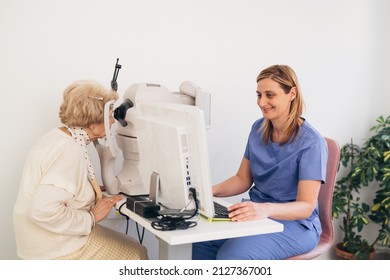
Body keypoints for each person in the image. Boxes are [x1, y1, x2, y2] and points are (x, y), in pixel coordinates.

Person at [192, 65, 328, 260]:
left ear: (292, 93)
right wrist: (207, 191)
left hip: (297, 224)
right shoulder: (258, 129)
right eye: (259, 95)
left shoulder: (312, 143)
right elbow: (242, 179)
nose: (262, 102)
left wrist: (265, 209)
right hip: (258, 214)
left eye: (269, 95)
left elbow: (305, 206)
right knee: (200, 242)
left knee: (232, 256)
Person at [13, 80, 148, 260]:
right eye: (109, 115)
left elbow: (55, 184)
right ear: (92, 122)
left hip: (36, 240)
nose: (113, 120)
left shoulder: (60, 136)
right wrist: (91, 217)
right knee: (136, 255)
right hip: (52, 248)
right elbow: (42, 210)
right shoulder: (70, 150)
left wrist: (86, 187)